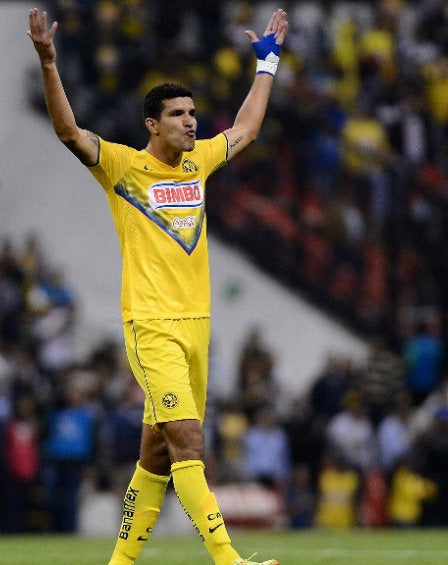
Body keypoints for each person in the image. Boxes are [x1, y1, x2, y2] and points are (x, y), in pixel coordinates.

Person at [27, 7, 288, 565]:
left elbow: (245, 129)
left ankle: (119, 563)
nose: (191, 123)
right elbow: (69, 131)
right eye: (177, 115)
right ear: (152, 124)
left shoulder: (196, 164)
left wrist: (267, 62)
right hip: (152, 326)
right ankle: (229, 560)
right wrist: (50, 63)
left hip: (198, 327)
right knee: (190, 441)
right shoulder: (122, 169)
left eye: (193, 113)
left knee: (156, 456)